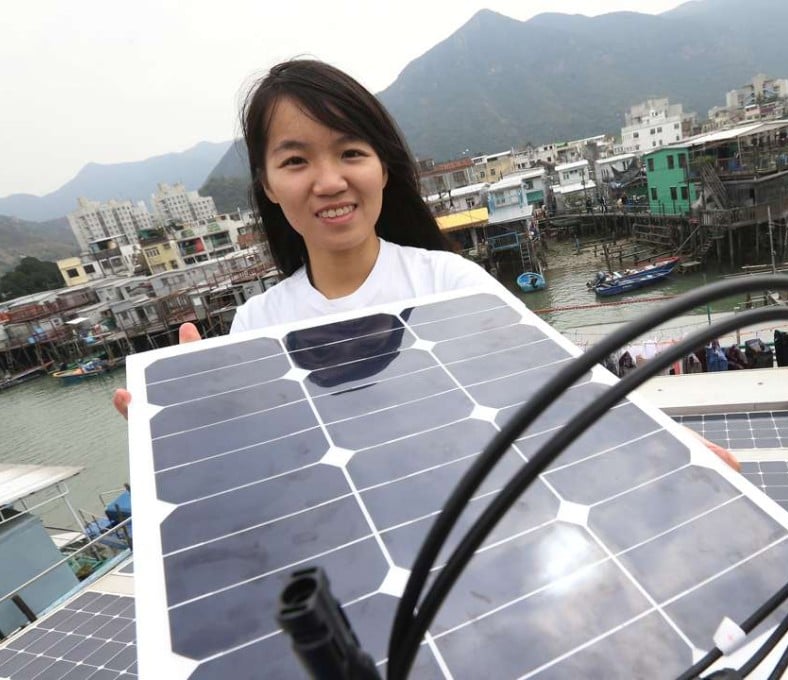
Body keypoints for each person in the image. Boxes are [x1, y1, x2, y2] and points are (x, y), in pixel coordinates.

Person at [111, 58, 739, 471]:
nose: (329, 181)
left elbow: (552, 398)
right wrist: (181, 436)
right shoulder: (255, 326)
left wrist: (667, 454)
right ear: (268, 185)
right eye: (296, 161)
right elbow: (268, 470)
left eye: (350, 152)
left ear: (383, 166)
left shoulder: (451, 284)